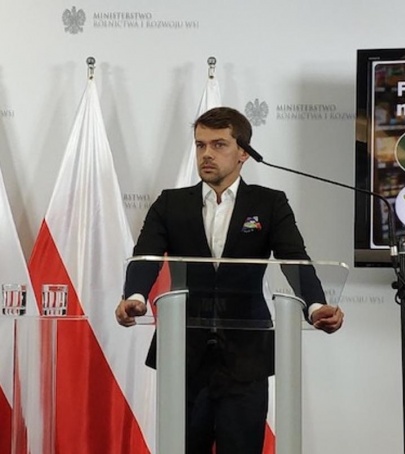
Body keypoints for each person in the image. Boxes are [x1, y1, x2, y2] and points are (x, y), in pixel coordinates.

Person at [115, 106, 344, 454]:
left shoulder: (269, 204)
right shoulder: (170, 204)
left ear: (243, 153)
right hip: (183, 356)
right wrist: (135, 297)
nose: (206, 154)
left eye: (218, 144)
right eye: (200, 145)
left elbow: (294, 260)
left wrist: (314, 307)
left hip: (246, 357)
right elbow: (145, 256)